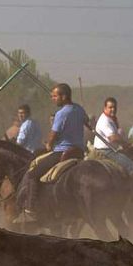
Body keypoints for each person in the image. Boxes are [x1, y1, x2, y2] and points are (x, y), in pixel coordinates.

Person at [16, 83, 87, 222]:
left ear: (64, 96)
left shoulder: (61, 113)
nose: (53, 99)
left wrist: (48, 144)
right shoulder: (79, 109)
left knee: (32, 173)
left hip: (62, 151)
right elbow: (86, 121)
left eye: (55, 96)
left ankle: (30, 210)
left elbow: (53, 135)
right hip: (78, 152)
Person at [93, 97, 133, 175]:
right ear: (105, 108)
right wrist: (128, 144)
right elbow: (113, 138)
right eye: (110, 107)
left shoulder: (110, 119)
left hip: (111, 149)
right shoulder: (105, 121)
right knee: (132, 167)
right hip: (106, 151)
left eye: (114, 107)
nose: (113, 109)